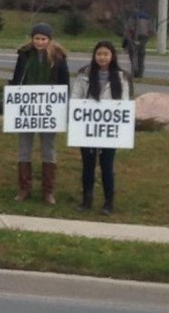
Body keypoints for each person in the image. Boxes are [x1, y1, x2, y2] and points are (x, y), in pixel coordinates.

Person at [9, 22, 70, 204]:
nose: (40, 42)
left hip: (49, 109)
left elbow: (64, 84)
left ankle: (48, 191)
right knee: (24, 148)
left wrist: (63, 107)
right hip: (27, 108)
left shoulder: (59, 58)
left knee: (48, 149)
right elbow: (17, 78)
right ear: (32, 38)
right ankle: (24, 188)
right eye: (37, 38)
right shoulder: (24, 55)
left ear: (49, 40)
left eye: (43, 39)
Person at [72, 41, 132, 215]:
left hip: (109, 130)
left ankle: (108, 203)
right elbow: (76, 97)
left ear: (112, 56)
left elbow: (125, 102)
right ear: (94, 55)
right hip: (87, 128)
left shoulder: (121, 77)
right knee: (88, 165)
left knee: (107, 166)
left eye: (106, 54)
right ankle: (86, 199)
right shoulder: (84, 74)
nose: (102, 57)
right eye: (99, 54)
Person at [122, 10, 152, 78]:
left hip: (132, 39)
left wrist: (125, 43)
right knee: (141, 57)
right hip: (143, 38)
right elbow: (151, 31)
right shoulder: (147, 18)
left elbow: (127, 30)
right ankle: (140, 74)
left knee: (133, 57)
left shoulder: (131, 18)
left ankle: (135, 74)